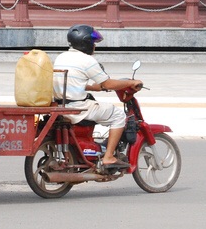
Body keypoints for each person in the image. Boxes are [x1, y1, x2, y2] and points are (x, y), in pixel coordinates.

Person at [52, 24, 142, 169]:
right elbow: (107, 83)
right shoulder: (87, 60)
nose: (94, 46)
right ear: (86, 43)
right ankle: (108, 157)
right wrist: (130, 82)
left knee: (98, 106)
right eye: (93, 42)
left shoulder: (61, 57)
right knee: (118, 115)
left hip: (61, 104)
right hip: (77, 107)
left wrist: (94, 87)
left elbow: (73, 82)